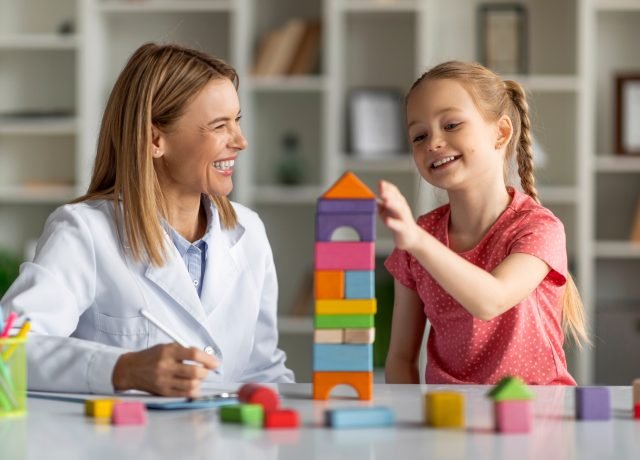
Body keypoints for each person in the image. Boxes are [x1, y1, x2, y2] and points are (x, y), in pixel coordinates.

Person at [0, 43, 294, 396]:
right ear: (156, 139)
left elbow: (263, 370)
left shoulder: (248, 233)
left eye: (237, 121)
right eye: (219, 126)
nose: (240, 141)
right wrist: (122, 369)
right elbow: (9, 349)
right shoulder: (84, 232)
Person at [378, 61, 588, 385]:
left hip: (536, 415)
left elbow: (492, 300)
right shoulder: (419, 236)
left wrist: (417, 242)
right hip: (448, 418)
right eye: (419, 136)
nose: (432, 142)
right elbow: (401, 358)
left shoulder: (539, 228)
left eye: (451, 125)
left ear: (501, 133)